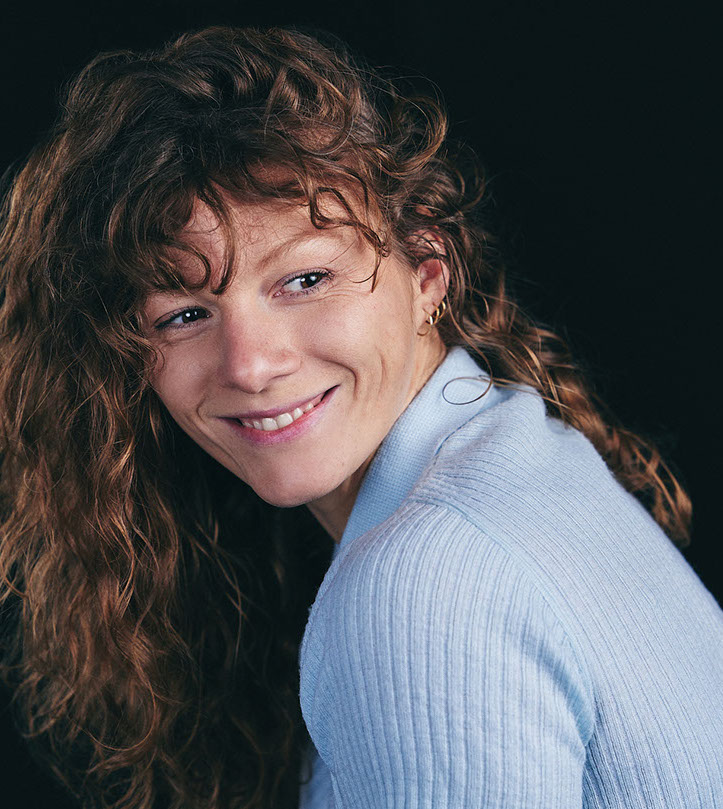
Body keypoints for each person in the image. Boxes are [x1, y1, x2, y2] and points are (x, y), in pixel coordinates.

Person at [0, 24, 720, 809]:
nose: (249, 364)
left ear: (427, 274)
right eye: (183, 314)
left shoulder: (428, 582)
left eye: (305, 279)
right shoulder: (520, 455)